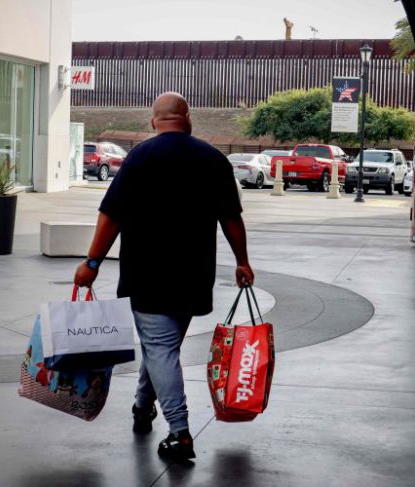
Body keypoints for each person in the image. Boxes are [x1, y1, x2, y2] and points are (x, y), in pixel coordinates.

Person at [73, 92, 254, 462]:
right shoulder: (212, 159)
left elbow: (111, 215)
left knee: (160, 347)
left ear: (154, 121)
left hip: (147, 273)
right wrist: (242, 262)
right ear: (188, 118)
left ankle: (180, 432)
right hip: (194, 273)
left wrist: (92, 263)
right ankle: (143, 407)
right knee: (163, 347)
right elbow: (231, 218)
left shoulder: (139, 157)